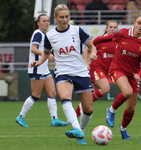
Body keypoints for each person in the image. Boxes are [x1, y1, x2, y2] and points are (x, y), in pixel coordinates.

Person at [29, 4, 97, 144]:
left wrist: (94, 52)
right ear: (56, 18)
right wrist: (39, 62)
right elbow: (46, 53)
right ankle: (76, 127)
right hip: (63, 72)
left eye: (67, 16)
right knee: (65, 97)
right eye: (61, 17)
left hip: (80, 72)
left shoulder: (77, 31)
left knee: (88, 109)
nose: (65, 19)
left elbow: (91, 46)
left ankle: (81, 132)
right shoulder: (50, 36)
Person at [96, 11, 141, 140]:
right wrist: (93, 41)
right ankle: (111, 110)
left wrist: (139, 75)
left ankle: (123, 129)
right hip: (117, 69)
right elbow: (107, 38)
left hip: (133, 74)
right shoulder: (123, 33)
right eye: (139, 23)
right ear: (134, 23)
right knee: (127, 92)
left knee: (131, 108)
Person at [15, 14, 69, 128]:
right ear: (38, 23)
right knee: (36, 95)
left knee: (52, 93)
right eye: (44, 21)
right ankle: (20, 117)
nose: (46, 23)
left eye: (48, 21)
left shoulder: (45, 34)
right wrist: (47, 55)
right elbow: (34, 49)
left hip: (44, 70)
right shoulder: (38, 33)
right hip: (36, 68)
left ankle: (55, 119)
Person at [75, 20, 119, 117]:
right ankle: (84, 107)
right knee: (105, 88)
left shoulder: (118, 42)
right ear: (106, 29)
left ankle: (74, 116)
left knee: (90, 94)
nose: (112, 29)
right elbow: (86, 50)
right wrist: (86, 63)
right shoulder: (99, 39)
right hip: (96, 68)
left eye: (114, 27)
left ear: (117, 29)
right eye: (110, 27)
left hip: (106, 72)